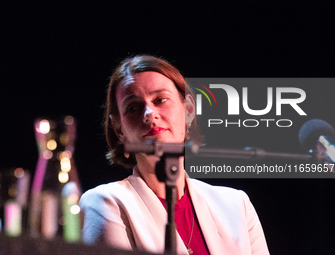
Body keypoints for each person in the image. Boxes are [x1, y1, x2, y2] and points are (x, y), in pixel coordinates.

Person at [79, 54, 270, 255]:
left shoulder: (236, 204)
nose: (149, 114)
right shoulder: (104, 203)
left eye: (160, 100)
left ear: (188, 111)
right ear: (119, 130)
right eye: (133, 108)